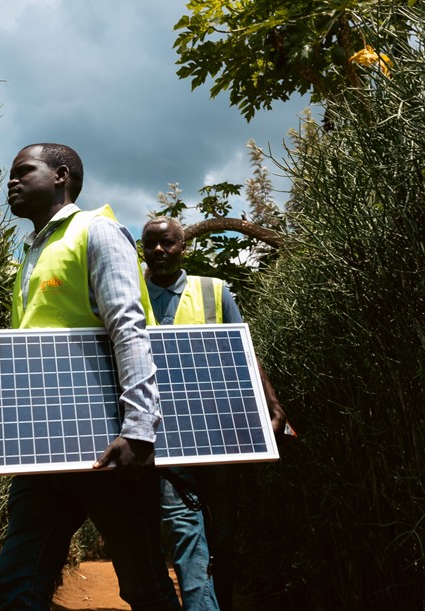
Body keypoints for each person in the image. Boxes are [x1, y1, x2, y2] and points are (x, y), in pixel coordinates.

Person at [0, 143, 181, 610]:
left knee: (145, 587)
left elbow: (127, 327)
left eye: (23, 171)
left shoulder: (96, 231)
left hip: (108, 446)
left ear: (60, 176)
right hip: (45, 450)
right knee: (18, 584)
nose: (10, 181)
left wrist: (138, 430)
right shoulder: (30, 253)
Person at [141, 216, 286, 611]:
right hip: (164, 436)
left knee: (222, 534)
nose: (158, 250)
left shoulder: (214, 291)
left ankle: (218, 601)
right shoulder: (130, 295)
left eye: (167, 243)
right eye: (150, 244)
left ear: (182, 246)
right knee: (181, 527)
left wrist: (272, 406)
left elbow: (244, 351)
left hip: (219, 430)